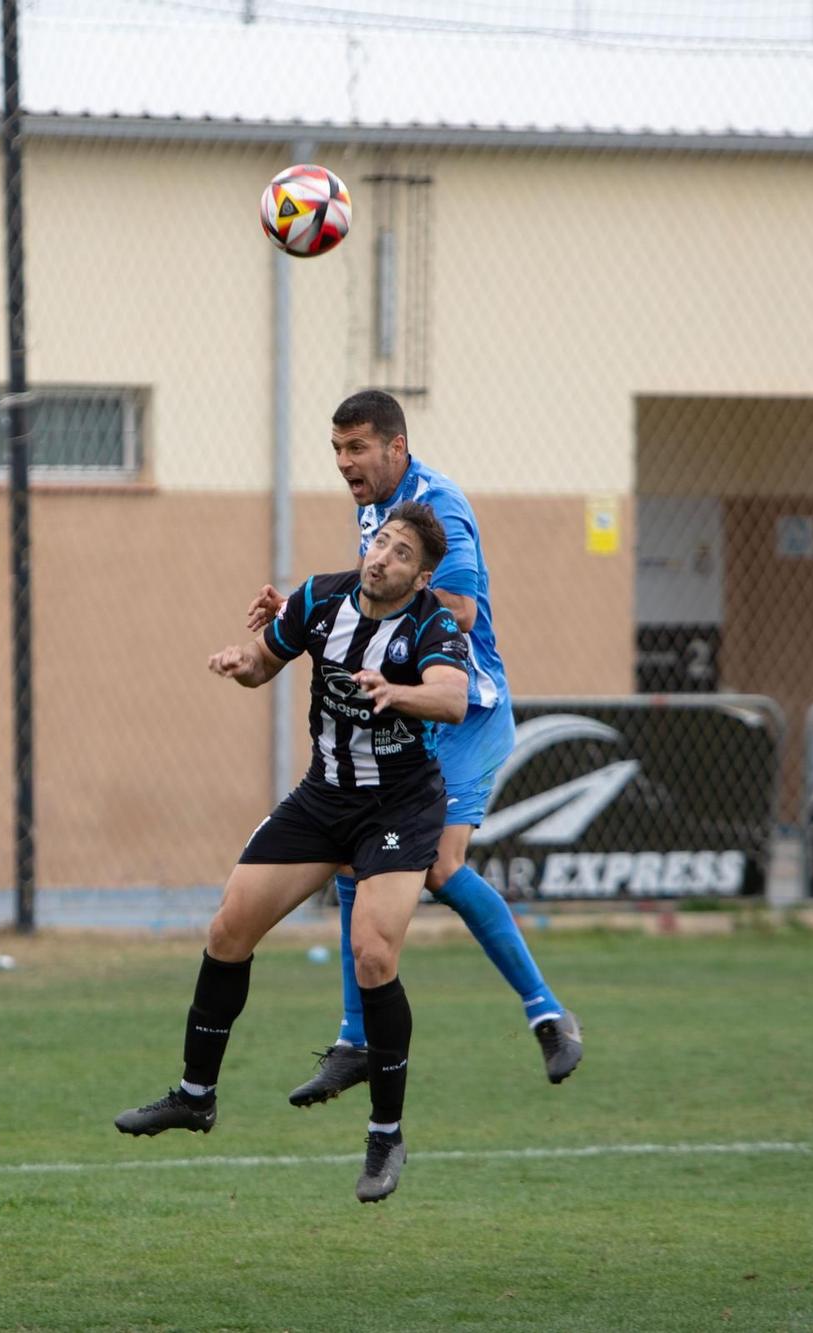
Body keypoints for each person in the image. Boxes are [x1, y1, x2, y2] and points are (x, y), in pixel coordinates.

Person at [116, 502, 470, 1204]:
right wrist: (239, 659)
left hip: (399, 807)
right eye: (381, 543)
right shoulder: (319, 595)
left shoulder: (431, 621)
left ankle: (386, 1133)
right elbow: (264, 662)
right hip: (322, 798)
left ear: (422, 575)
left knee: (374, 953)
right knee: (228, 929)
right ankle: (195, 1094)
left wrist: (396, 691)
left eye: (401, 553)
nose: (382, 557)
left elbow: (454, 698)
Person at [249, 389, 582, 1104]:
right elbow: (374, 604)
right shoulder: (375, 506)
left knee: (440, 865)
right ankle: (352, 1038)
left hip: (466, 709)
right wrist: (308, 613)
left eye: (358, 448)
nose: (345, 463)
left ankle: (547, 1012)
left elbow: (456, 609)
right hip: (408, 712)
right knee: (350, 848)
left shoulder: (440, 505)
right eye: (337, 450)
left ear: (396, 447)